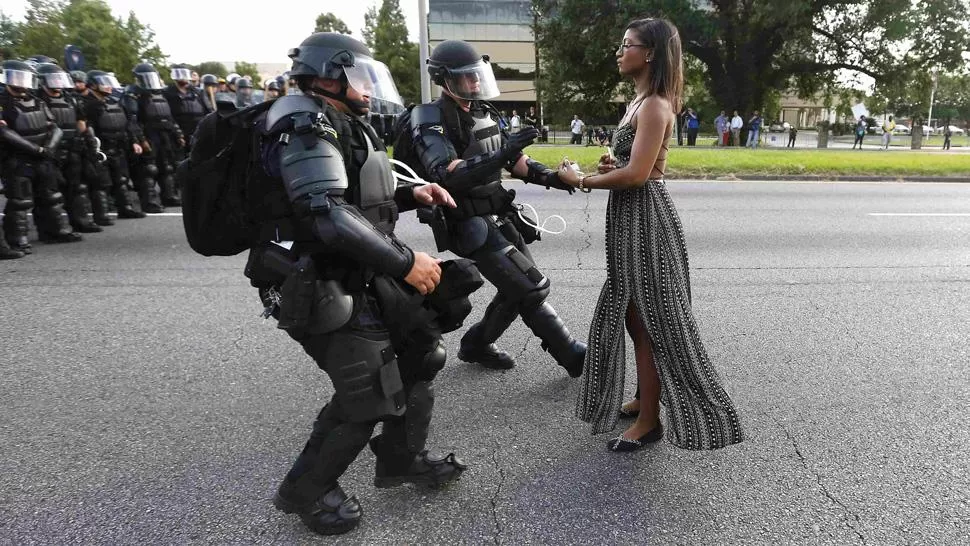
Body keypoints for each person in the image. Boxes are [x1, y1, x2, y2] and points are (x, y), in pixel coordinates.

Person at [245, 32, 467, 536]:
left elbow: (357, 196)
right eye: (358, 76)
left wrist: (413, 194)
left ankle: (400, 457)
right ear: (327, 76)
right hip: (315, 278)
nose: (368, 87)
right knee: (367, 393)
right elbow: (326, 214)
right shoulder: (302, 122)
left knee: (421, 352)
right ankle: (306, 490)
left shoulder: (336, 120)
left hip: (356, 269)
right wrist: (407, 262)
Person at [557, 18, 744, 452]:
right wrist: (610, 165)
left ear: (651, 53)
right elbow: (629, 166)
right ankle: (646, 396)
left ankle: (649, 421)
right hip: (629, 218)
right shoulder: (638, 102)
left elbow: (640, 175)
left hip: (646, 219)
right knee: (632, 314)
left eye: (627, 45)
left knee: (652, 321)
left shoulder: (656, 104)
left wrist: (581, 179)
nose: (620, 52)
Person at [408, 39, 586, 376]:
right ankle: (571, 354)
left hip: (498, 213)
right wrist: (502, 155)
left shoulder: (483, 112)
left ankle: (476, 344)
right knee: (531, 287)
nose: (475, 82)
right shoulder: (429, 116)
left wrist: (553, 178)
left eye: (478, 75)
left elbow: (516, 160)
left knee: (517, 287)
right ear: (445, 79)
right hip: (466, 221)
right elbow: (446, 173)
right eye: (467, 77)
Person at [1, 60, 84, 253]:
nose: (21, 83)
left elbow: (54, 127)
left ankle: (55, 231)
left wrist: (49, 148)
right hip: (17, 158)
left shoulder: (38, 101)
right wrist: (36, 150)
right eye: (17, 77)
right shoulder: (2, 102)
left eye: (24, 77)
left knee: (51, 196)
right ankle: (17, 239)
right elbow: (5, 132)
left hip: (43, 156)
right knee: (20, 201)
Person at [35, 62, 102, 233]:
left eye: (59, 79)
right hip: (49, 150)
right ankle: (53, 230)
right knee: (50, 193)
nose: (57, 83)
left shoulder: (70, 98)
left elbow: (81, 122)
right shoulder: (37, 100)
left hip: (72, 148)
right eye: (53, 79)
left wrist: (89, 141)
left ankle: (80, 222)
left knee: (76, 188)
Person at [81, 70, 147, 220]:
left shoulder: (114, 102)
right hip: (100, 148)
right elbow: (86, 127)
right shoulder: (87, 104)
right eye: (104, 83)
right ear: (93, 85)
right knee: (101, 183)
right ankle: (101, 214)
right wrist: (93, 147)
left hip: (118, 146)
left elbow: (127, 124)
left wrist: (134, 141)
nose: (109, 86)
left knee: (121, 179)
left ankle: (126, 208)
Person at [123, 63, 185, 209]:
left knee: (167, 167)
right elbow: (132, 120)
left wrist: (178, 134)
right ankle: (149, 201)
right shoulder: (133, 94)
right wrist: (140, 139)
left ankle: (169, 196)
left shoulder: (160, 93)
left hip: (165, 134)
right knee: (148, 169)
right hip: (148, 134)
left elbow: (169, 117)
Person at [162, 65, 211, 152]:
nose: (183, 78)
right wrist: (177, 133)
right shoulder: (167, 92)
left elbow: (209, 112)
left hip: (198, 132)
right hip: (178, 133)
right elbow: (167, 114)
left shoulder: (198, 92)